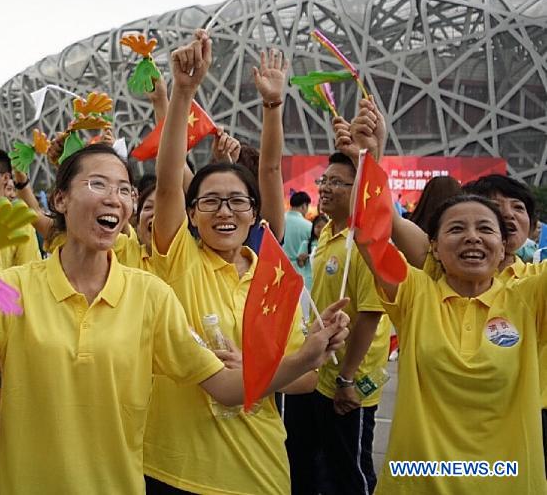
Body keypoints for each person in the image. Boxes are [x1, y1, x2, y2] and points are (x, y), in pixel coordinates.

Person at [0, 140, 353, 494]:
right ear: (60, 199)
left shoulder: (150, 295)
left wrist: (304, 358)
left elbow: (226, 388)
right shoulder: (13, 289)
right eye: (98, 184)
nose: (115, 199)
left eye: (124, 189)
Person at [144, 34, 346, 494]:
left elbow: (309, 377)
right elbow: (170, 178)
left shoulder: (274, 277)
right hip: (176, 472)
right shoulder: (180, 261)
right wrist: (181, 93)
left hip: (260, 470)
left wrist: (270, 365)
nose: (224, 211)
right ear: (192, 214)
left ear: (254, 214)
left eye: (237, 201)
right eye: (210, 202)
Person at [358, 193, 547, 494]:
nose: (472, 237)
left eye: (485, 229)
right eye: (457, 229)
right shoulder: (415, 294)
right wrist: (370, 154)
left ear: (502, 249)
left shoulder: (531, 299)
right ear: (434, 246)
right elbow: (368, 232)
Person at [286, 151, 391, 495]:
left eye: (336, 182)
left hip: (349, 384)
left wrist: (348, 376)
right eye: (324, 180)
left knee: (350, 473)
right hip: (321, 376)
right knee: (320, 467)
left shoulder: (365, 242)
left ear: (358, 189)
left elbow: (370, 316)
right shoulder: (330, 232)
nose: (325, 188)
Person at [284, 191, 313, 288]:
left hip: (278, 269)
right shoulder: (308, 226)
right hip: (299, 272)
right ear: (304, 206)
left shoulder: (280, 221)